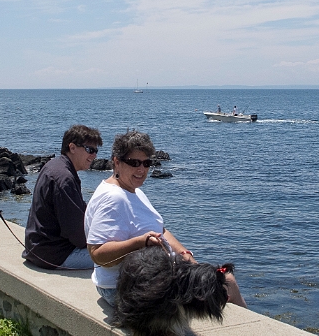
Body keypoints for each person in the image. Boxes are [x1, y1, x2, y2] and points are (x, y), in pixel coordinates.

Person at [85, 130, 246, 308]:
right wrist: (141, 242)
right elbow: (97, 254)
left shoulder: (133, 190)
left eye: (146, 163)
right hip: (124, 288)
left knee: (223, 280)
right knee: (226, 282)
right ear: (116, 162)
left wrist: (185, 255)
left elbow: (160, 230)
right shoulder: (113, 198)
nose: (141, 170)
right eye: (134, 163)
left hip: (149, 277)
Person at [23, 124, 102, 269]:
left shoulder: (54, 166)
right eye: (90, 150)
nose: (94, 155)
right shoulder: (64, 178)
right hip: (55, 254)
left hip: (38, 248)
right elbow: (76, 232)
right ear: (72, 147)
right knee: (121, 259)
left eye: (96, 151)